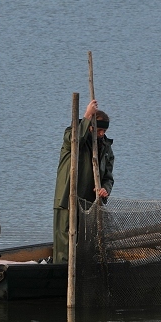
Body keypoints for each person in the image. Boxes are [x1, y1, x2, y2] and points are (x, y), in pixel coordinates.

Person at [52, 99, 114, 264]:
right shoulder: (71, 135)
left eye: (104, 130)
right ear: (91, 126)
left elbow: (108, 177)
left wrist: (104, 190)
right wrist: (87, 115)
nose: (102, 134)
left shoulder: (106, 147)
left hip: (89, 204)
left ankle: (84, 274)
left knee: (87, 244)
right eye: (99, 130)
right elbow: (75, 140)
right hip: (67, 199)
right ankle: (62, 276)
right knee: (65, 245)